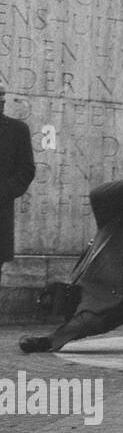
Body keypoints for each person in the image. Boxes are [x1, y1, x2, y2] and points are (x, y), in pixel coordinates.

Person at [19, 180, 123, 354]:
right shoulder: (116, 215)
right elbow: (99, 194)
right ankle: (49, 341)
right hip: (103, 290)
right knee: (90, 321)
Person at [0, 82, 36, 290]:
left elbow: (26, 169)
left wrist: (5, 191)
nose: (2, 102)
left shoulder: (17, 130)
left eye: (2, 98)